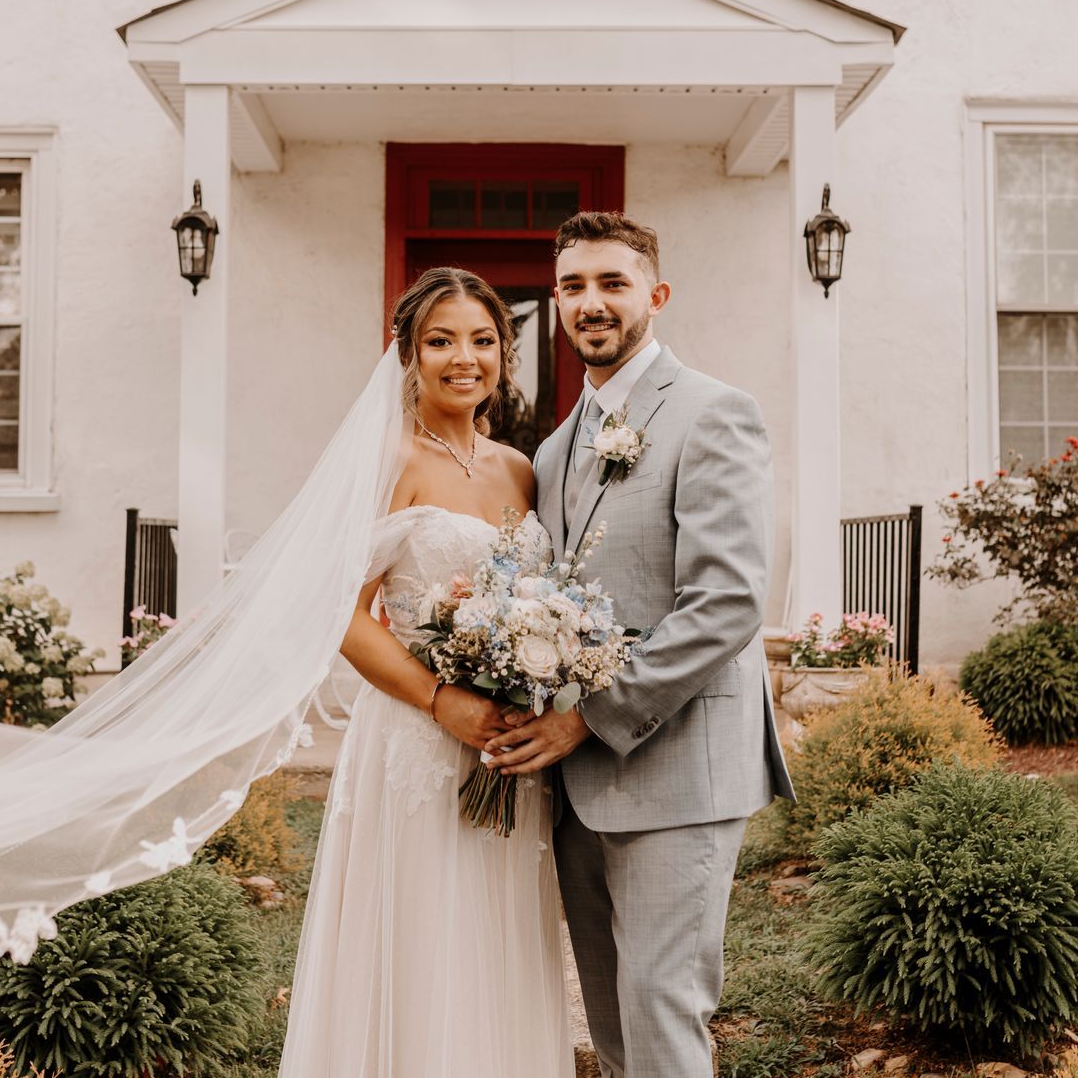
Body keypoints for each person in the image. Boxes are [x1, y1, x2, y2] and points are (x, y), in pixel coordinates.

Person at [486, 211, 795, 1078]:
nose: (593, 303)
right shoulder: (551, 449)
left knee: (664, 1019)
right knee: (617, 1029)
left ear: (655, 296)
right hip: (575, 787)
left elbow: (727, 602)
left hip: (677, 768)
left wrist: (587, 716)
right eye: (575, 286)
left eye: (613, 283)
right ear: (555, 301)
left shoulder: (713, 414)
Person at [277, 266, 570, 1075]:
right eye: (440, 341)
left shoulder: (520, 468)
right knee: (423, 927)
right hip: (418, 739)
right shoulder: (391, 458)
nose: (462, 358)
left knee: (496, 929)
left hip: (505, 748)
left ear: (505, 354)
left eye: (482, 340)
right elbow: (340, 613)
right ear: (408, 353)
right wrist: (443, 701)